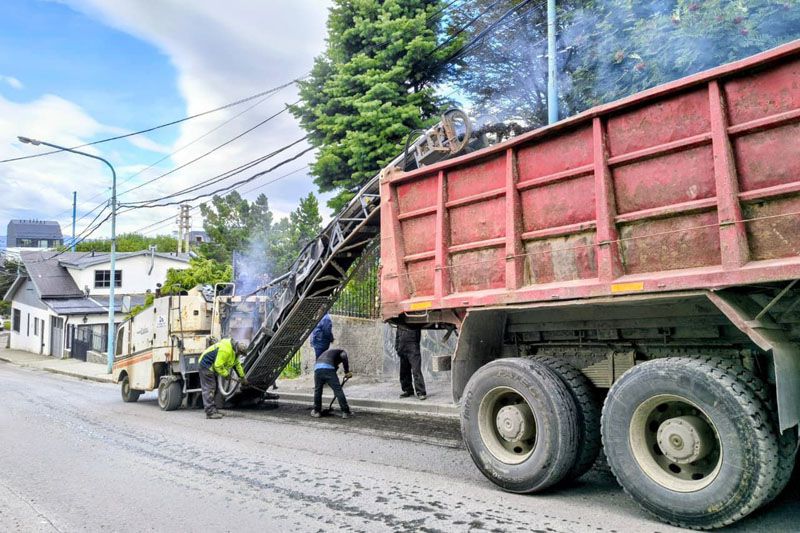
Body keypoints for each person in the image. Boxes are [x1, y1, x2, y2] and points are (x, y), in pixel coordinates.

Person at [198, 337, 248, 419]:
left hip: (212, 367)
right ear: (238, 350)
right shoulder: (226, 350)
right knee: (210, 388)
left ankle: (213, 409)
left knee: (215, 388)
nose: (240, 355)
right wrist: (226, 375)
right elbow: (218, 365)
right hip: (206, 365)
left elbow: (237, 365)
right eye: (240, 353)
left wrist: (242, 377)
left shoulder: (234, 352)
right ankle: (210, 412)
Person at [311, 347, 352, 419]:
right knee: (338, 390)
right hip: (328, 369)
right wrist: (347, 372)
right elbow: (344, 356)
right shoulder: (342, 351)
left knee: (318, 390)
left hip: (317, 369)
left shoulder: (329, 354)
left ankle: (317, 411)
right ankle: (346, 412)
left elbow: (334, 367)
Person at [396, 324, 426, 400]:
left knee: (416, 371)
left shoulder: (414, 322)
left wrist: (415, 346)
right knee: (404, 371)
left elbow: (417, 336)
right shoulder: (400, 323)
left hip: (413, 349)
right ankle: (408, 390)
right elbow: (397, 335)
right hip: (402, 348)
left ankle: (421, 392)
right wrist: (397, 347)